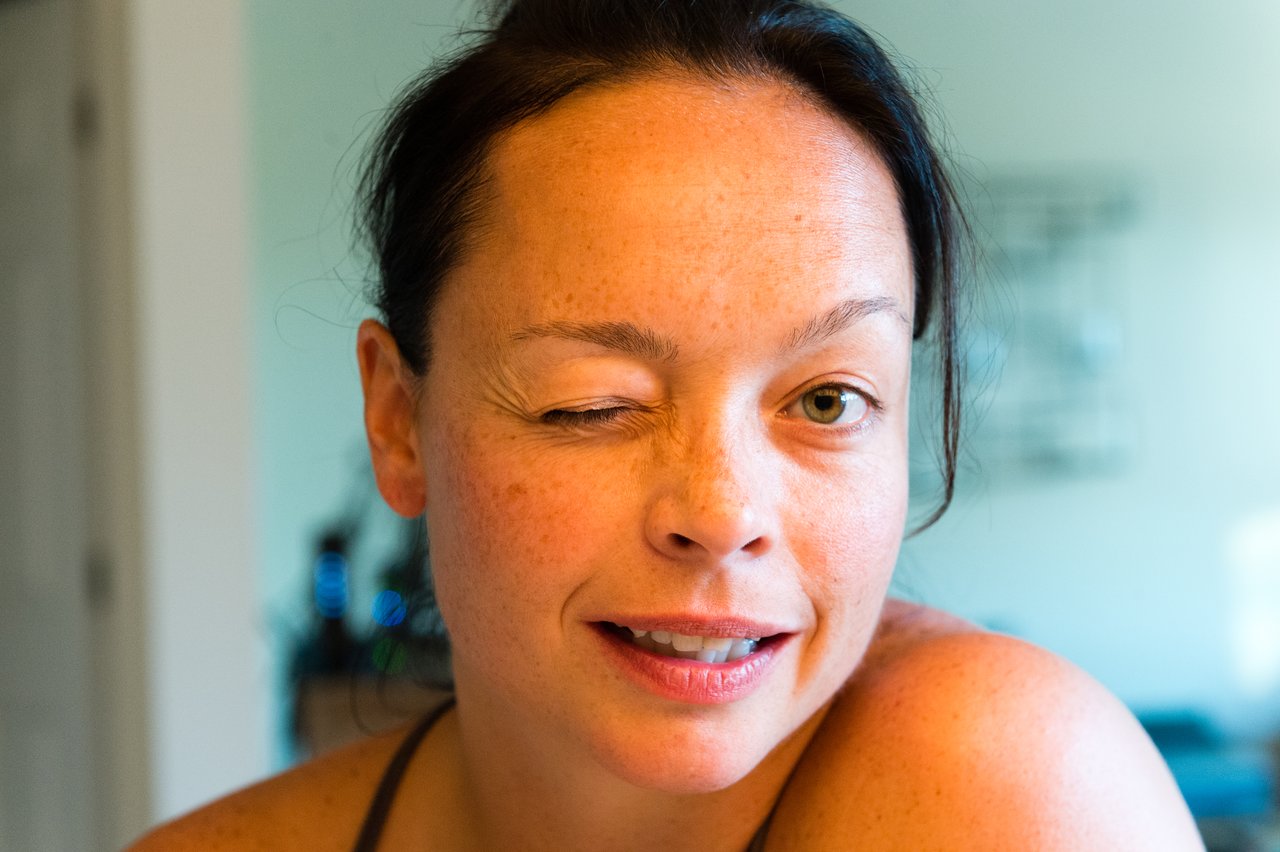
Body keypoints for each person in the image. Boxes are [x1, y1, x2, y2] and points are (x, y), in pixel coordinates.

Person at [134, 0, 1201, 848]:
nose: (721, 514)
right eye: (595, 404)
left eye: (825, 401)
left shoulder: (1005, 787)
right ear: (398, 419)